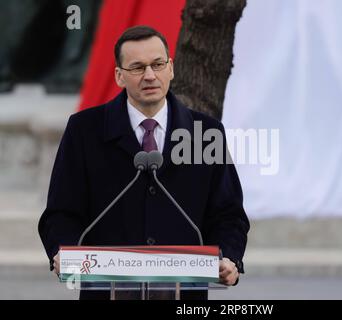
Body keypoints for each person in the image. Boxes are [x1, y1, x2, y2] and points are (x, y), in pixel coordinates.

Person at [38, 25, 250, 300]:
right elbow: (61, 213)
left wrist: (228, 257)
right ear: (119, 76)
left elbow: (229, 215)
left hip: (183, 294)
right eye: (137, 67)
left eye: (157, 64)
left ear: (171, 68)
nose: (150, 75)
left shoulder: (204, 133)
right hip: (106, 290)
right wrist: (64, 252)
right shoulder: (85, 130)